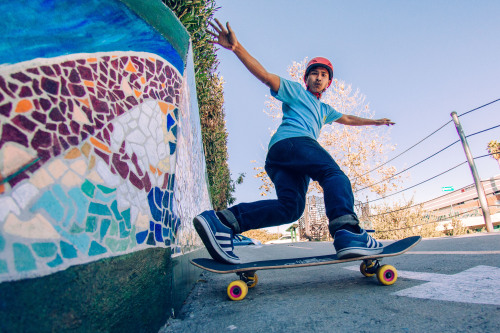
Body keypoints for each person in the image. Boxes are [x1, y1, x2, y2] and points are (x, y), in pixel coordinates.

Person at [193, 19, 395, 264]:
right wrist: (237, 48)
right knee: (333, 174)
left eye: (323, 76)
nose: (318, 78)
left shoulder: (325, 109)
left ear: (328, 83)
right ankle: (348, 231)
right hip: (293, 143)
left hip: (283, 160)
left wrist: (374, 122)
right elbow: (266, 76)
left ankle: (223, 222)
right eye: (314, 74)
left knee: (290, 208)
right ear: (306, 79)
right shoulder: (295, 91)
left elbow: (348, 118)